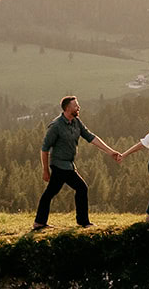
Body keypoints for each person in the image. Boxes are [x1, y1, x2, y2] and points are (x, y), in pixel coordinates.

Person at [34, 95, 120, 230]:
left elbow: (91, 137)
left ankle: (40, 222)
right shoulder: (56, 126)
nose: (78, 107)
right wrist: (45, 170)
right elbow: (44, 149)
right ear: (68, 108)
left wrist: (111, 152)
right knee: (79, 188)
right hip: (59, 165)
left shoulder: (76, 122)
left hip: (68, 165)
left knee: (52, 192)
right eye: (76, 106)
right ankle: (83, 222)